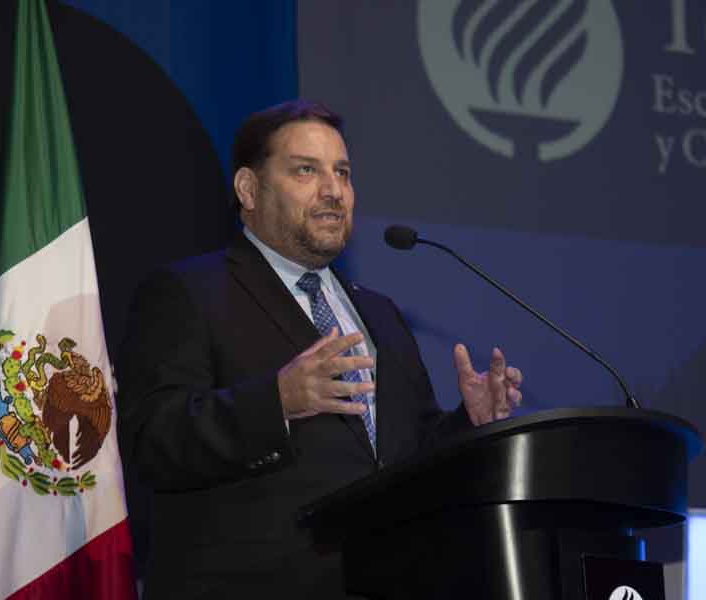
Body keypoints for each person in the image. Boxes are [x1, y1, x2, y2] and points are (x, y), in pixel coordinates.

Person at [117, 100, 523, 599]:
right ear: (249, 189)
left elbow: (405, 456)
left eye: (343, 173)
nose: (333, 191)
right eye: (306, 171)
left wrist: (468, 424)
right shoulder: (189, 293)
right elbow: (152, 442)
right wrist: (276, 402)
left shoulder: (379, 313)